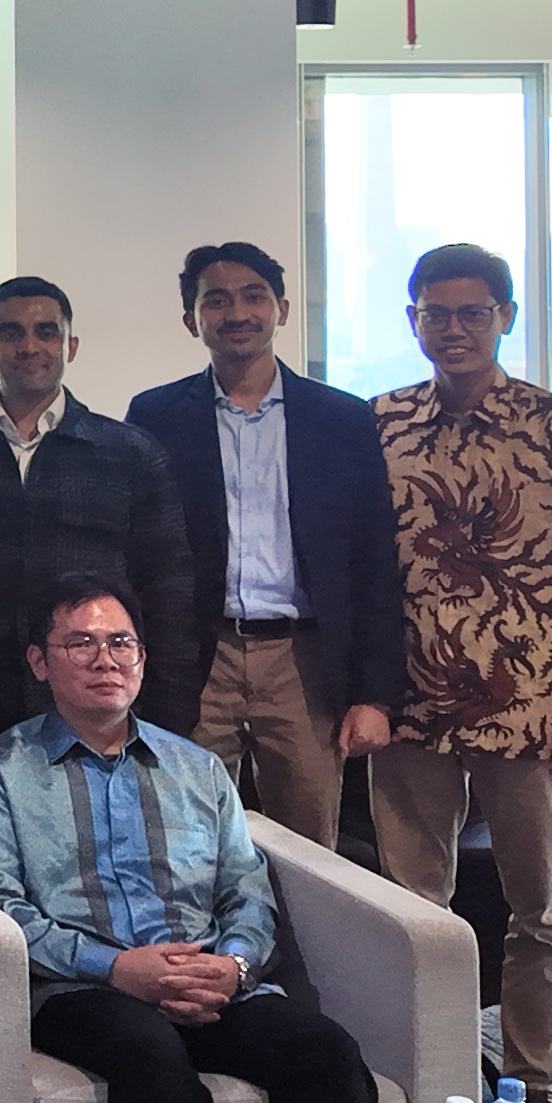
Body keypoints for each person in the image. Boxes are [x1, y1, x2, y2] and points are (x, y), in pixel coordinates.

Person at [0, 574, 377, 1103]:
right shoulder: (0, 771)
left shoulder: (197, 769)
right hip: (79, 991)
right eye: (78, 642)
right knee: (152, 1062)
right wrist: (118, 969)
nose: (103, 657)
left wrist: (233, 965)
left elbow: (246, 888)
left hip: (209, 981)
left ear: (142, 658)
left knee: (324, 1051)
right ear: (37, 660)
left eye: (120, 641)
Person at [368, 242, 552, 1103]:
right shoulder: (382, 425)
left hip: (531, 703)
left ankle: (534, 1089)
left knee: (540, 904)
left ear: (505, 318)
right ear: (412, 321)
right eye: (434, 313)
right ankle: (423, 1081)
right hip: (409, 704)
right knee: (412, 907)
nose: (453, 328)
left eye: (472, 312)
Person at [124, 243, 405, 849]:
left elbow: (374, 565)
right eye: (215, 300)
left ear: (280, 308)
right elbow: (139, 554)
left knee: (310, 845)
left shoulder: (341, 419)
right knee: (186, 835)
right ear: (191, 320)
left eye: (254, 296)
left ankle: (302, 950)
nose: (237, 312)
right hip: (201, 655)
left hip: (302, 659)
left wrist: (373, 694)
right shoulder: (154, 416)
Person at [0, 277, 195, 748]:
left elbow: (168, 587)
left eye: (46, 332)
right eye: (11, 333)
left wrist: (166, 709)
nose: (29, 346)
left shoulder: (127, 453)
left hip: (94, 703)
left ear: (70, 345)